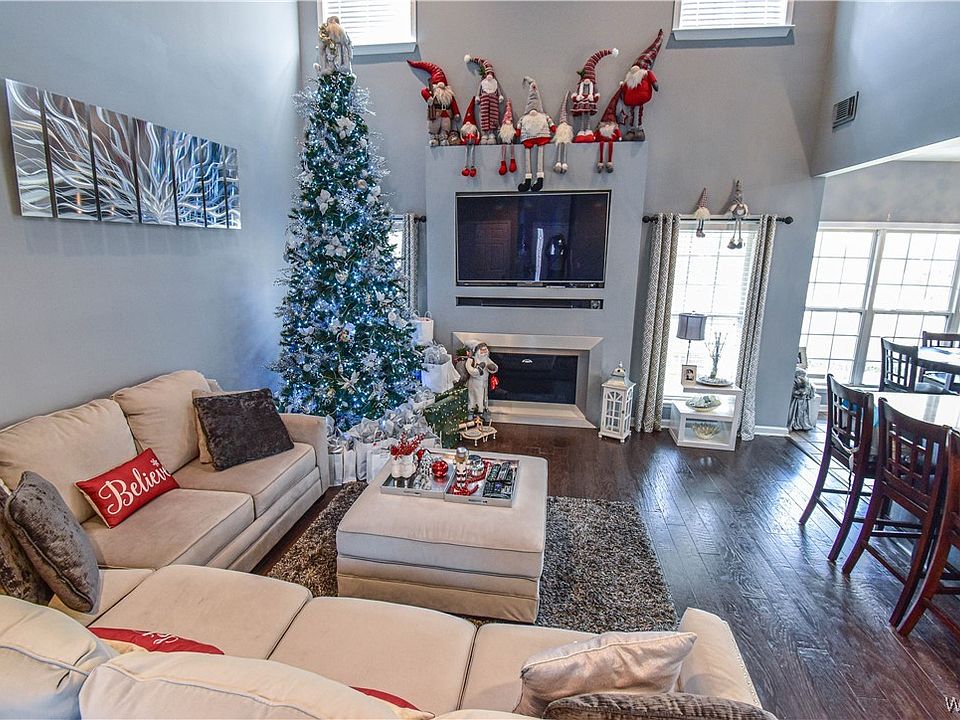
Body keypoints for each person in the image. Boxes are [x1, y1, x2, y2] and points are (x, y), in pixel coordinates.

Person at [465, 342, 499, 420]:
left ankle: (482, 411)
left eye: (485, 350)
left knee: (483, 397)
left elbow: (493, 366)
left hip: (484, 382)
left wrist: (493, 368)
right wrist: (478, 370)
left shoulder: (486, 359)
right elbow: (470, 370)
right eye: (482, 350)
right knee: (474, 398)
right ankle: (472, 412)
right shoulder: (472, 360)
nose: (484, 352)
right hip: (475, 383)